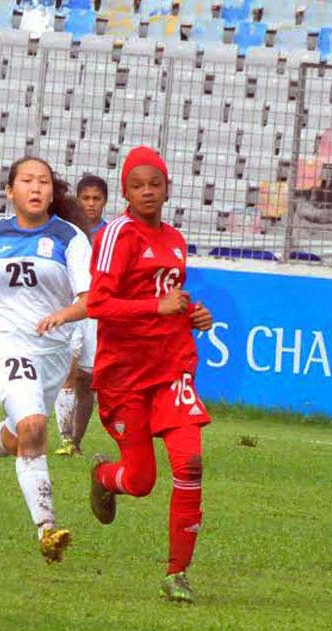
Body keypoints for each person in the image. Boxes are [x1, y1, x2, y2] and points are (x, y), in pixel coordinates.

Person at [86, 146, 214, 604]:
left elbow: (168, 297)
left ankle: (177, 573)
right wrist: (154, 307)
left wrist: (193, 314)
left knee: (191, 463)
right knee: (140, 481)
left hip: (172, 366)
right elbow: (98, 305)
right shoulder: (116, 235)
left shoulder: (176, 240)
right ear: (125, 190)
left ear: (166, 187)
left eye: (154, 184)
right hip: (124, 374)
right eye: (137, 185)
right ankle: (103, 475)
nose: (146, 192)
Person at [0, 156, 91, 564]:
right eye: (27, 181)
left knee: (21, 434)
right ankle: (47, 529)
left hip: (52, 353)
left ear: (51, 192)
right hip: (7, 347)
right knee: (33, 426)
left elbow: (90, 299)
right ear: (10, 191)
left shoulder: (69, 238)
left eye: (43, 182)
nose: (36, 188)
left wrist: (64, 315)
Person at [54, 174, 109, 457]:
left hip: (96, 311)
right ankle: (64, 437)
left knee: (87, 381)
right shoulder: (67, 232)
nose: (90, 204)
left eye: (96, 198)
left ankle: (75, 441)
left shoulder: (112, 235)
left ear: (105, 202)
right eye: (85, 198)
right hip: (71, 306)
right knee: (68, 371)